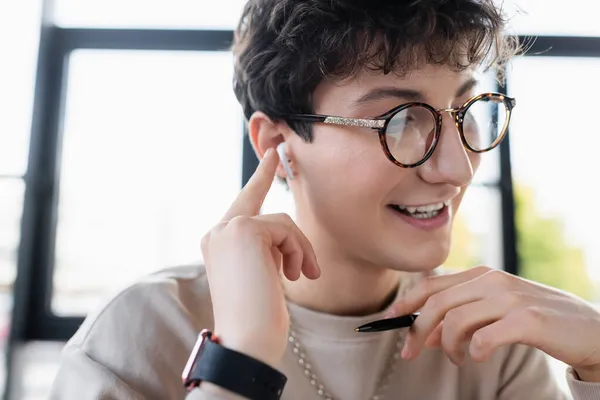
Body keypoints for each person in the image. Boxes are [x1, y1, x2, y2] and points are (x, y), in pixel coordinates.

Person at [51, 0, 600, 399]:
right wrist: (241, 357)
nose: (458, 167)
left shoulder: (487, 344)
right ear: (278, 145)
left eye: (465, 111)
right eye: (400, 120)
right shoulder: (143, 334)